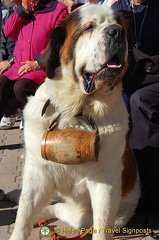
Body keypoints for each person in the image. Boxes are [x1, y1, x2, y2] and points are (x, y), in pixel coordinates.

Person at [111, 0, 159, 212]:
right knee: (114, 100)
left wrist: (148, 62)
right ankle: (116, 185)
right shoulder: (116, 9)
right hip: (128, 75)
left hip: (154, 76)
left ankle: (147, 189)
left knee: (138, 100)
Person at [0, 0, 68, 124]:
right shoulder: (25, 8)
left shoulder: (59, 9)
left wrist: (38, 62)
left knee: (21, 87)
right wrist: (23, 9)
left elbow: (59, 43)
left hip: (42, 68)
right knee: (1, 85)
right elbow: (8, 31)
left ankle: (34, 126)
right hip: (18, 67)